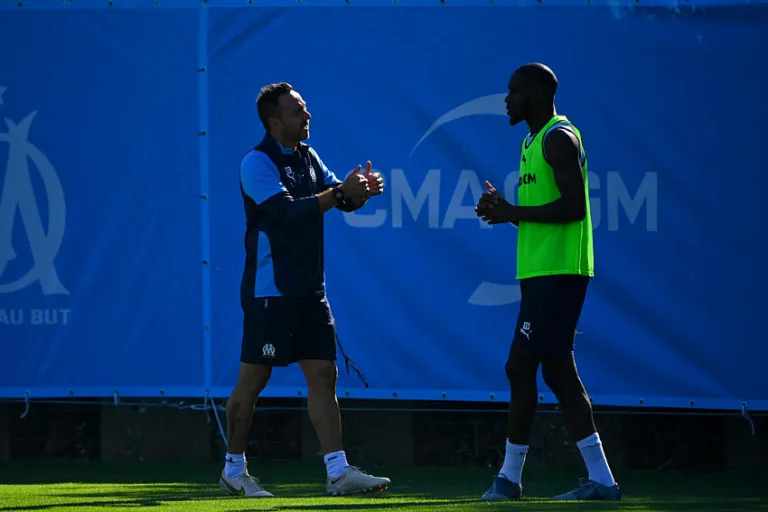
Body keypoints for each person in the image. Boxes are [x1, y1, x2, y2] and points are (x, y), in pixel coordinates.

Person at [219, 82, 391, 498]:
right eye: (297, 111)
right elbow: (287, 212)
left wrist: (358, 192)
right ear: (274, 122)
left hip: (310, 291)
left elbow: (338, 198)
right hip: (270, 291)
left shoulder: (308, 156)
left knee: (323, 373)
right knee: (254, 378)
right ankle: (233, 470)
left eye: (305, 108)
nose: (307, 116)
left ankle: (337, 473)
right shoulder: (256, 162)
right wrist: (339, 193)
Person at [474, 63, 621, 502]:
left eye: (514, 91)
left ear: (537, 93)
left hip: (560, 276)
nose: (507, 99)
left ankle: (509, 478)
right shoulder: (531, 141)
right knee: (557, 371)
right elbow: (548, 216)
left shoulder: (559, 137)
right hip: (541, 274)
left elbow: (574, 208)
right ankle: (602, 482)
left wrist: (510, 211)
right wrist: (505, 212)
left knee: (519, 366)